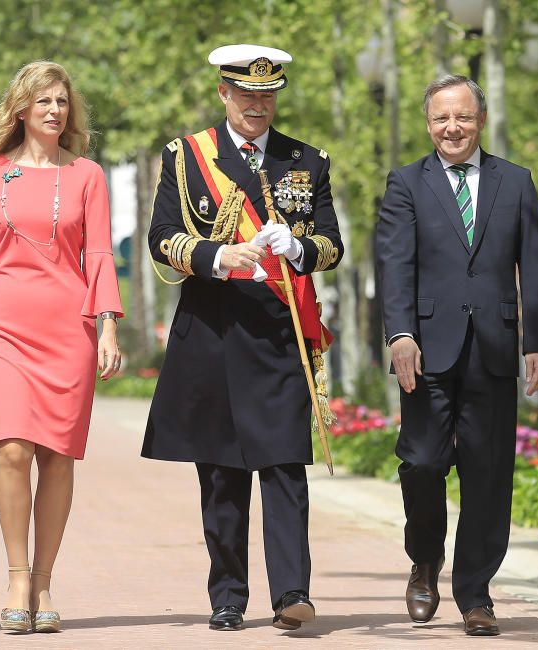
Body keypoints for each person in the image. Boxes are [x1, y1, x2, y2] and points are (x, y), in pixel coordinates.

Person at [143, 44, 343, 633]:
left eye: (268, 94)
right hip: (214, 332)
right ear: (225, 93)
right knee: (222, 472)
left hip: (280, 337)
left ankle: (292, 594)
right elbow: (162, 237)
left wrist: (299, 248)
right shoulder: (186, 157)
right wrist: (219, 255)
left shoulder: (307, 160)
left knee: (285, 465)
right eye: (247, 94)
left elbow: (330, 243)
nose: (258, 104)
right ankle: (228, 595)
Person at [0, 60, 124, 633]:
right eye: (43, 101)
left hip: (69, 331)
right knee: (13, 449)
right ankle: (18, 576)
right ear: (20, 109)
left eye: (62, 102)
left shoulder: (89, 175)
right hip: (1, 329)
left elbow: (98, 255)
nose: (54, 110)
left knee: (58, 456)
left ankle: (46, 581)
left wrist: (108, 326)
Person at [375, 75, 538, 636]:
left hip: (497, 350)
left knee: (488, 472)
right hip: (425, 351)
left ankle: (476, 593)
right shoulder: (406, 183)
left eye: (463, 117)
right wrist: (399, 333)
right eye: (441, 119)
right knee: (423, 461)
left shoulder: (517, 182)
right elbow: (394, 265)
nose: (452, 128)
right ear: (428, 123)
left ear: (481, 119)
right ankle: (424, 559)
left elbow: (537, 265)